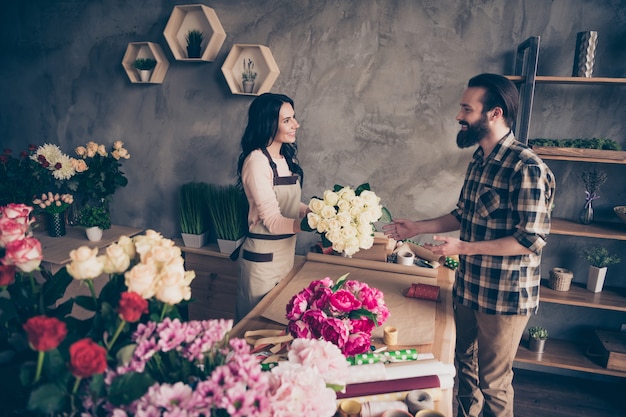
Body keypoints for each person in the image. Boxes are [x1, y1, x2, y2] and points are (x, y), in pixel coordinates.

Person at [384, 73, 555, 417]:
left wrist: (463, 249)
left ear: (494, 113)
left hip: (504, 296)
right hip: (470, 286)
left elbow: (529, 239)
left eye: (466, 108)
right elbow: (463, 215)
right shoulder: (479, 158)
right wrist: (415, 227)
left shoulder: (527, 167)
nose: (458, 116)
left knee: (493, 382)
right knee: (463, 365)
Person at [235, 93, 308, 321]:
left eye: (293, 118)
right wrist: (313, 225)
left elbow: (291, 205)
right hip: (262, 263)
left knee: (277, 325)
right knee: (253, 328)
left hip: (285, 257)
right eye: (287, 120)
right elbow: (273, 221)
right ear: (268, 124)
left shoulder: (284, 159)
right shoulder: (257, 162)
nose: (295, 125)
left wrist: (316, 213)